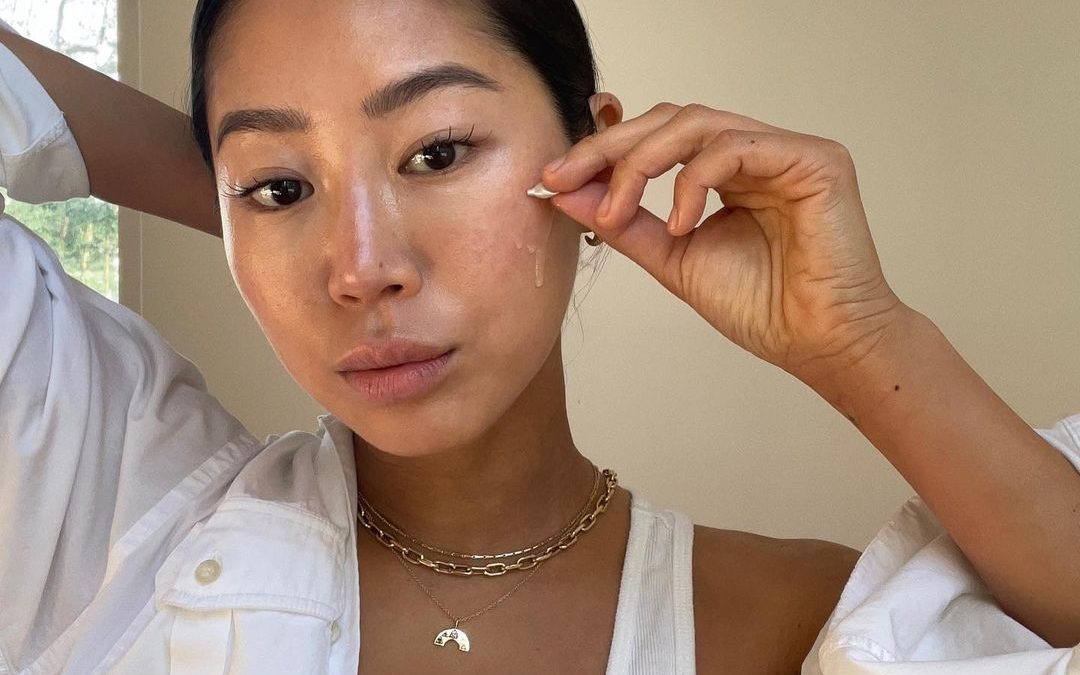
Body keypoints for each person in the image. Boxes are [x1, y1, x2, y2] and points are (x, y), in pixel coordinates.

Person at [0, 1, 1077, 673]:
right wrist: (240, 190)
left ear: (595, 154)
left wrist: (860, 340)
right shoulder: (109, 525)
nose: (360, 266)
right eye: (277, 188)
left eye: (436, 153)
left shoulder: (794, 622)